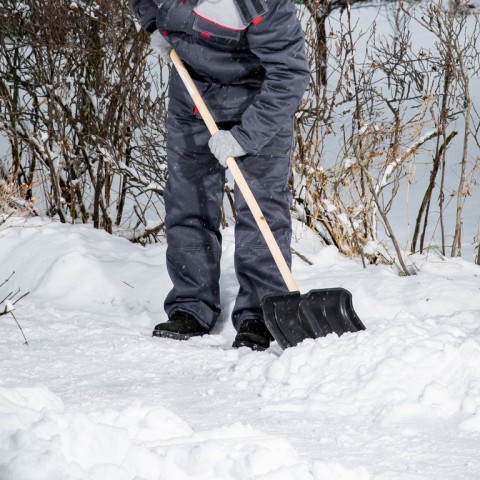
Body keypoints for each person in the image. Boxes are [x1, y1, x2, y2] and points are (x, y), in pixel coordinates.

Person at [130, 0, 309, 350]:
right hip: (192, 90)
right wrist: (154, 24)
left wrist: (245, 137)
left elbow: (290, 74)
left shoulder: (262, 4)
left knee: (260, 208)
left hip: (259, 97)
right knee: (187, 198)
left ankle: (261, 311)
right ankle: (191, 305)